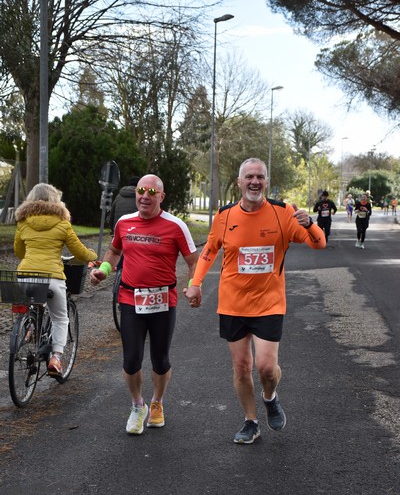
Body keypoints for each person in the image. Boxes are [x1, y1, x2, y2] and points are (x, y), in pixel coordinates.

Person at [184, 158, 326, 444]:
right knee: (240, 366)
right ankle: (251, 421)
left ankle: (270, 397)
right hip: (232, 303)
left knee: (265, 367)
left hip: (269, 303)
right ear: (239, 182)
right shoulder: (224, 216)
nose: (255, 181)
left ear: (267, 182)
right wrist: (195, 283)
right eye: (249, 176)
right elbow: (210, 250)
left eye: (260, 176)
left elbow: (318, 243)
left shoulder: (283, 213)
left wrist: (310, 223)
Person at [90, 174, 198, 435]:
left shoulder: (175, 226)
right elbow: (114, 252)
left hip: (163, 301)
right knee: (131, 360)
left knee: (160, 360)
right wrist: (104, 270)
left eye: (152, 192)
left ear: (161, 197)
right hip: (130, 299)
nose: (145, 196)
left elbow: (194, 260)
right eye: (141, 190)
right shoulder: (124, 223)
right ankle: (138, 405)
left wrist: (195, 284)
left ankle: (157, 403)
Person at [14, 183, 97, 376]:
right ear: (55, 200)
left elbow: (19, 251)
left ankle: (29, 329)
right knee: (60, 318)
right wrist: (93, 256)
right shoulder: (61, 223)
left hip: (25, 275)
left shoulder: (23, 222)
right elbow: (80, 252)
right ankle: (56, 358)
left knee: (33, 304)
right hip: (52, 277)